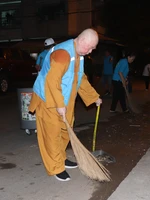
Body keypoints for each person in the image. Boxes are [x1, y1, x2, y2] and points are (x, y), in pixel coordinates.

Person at [28, 28, 101, 182]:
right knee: (52, 134)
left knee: (66, 132)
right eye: (89, 47)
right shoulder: (62, 54)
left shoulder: (79, 54)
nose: (90, 52)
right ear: (81, 41)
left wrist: (94, 96)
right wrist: (59, 104)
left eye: (92, 49)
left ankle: (61, 158)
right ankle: (56, 167)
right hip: (48, 99)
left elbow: (80, 77)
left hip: (65, 100)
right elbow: (52, 82)